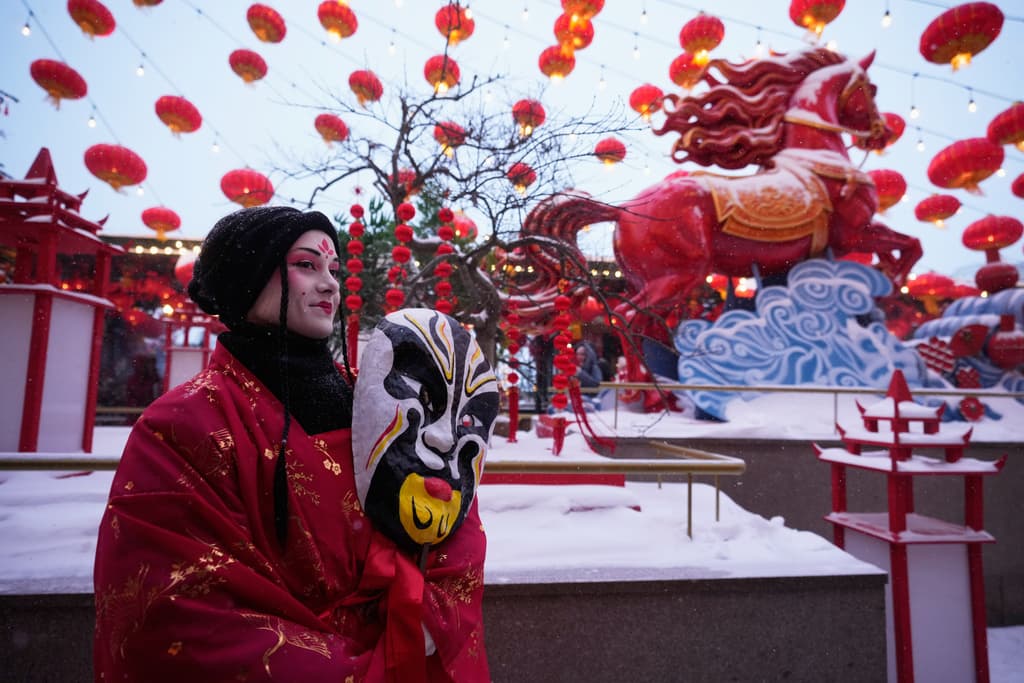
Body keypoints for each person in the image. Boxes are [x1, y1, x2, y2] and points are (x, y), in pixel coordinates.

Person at [93, 206, 491, 682]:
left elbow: (456, 503)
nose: (330, 285)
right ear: (249, 275)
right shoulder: (184, 423)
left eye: (333, 270)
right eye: (307, 266)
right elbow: (173, 605)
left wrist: (422, 622)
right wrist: (357, 667)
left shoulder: (381, 396)